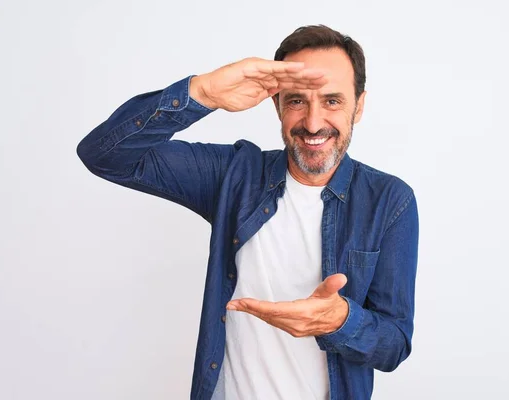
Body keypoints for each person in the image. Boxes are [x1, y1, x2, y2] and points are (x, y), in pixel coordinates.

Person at [77, 24, 419, 400]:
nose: (313, 122)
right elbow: (104, 155)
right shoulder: (235, 175)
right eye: (296, 101)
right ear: (276, 105)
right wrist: (201, 92)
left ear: (360, 105)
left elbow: (395, 345)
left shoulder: (390, 201)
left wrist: (341, 320)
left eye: (332, 101)